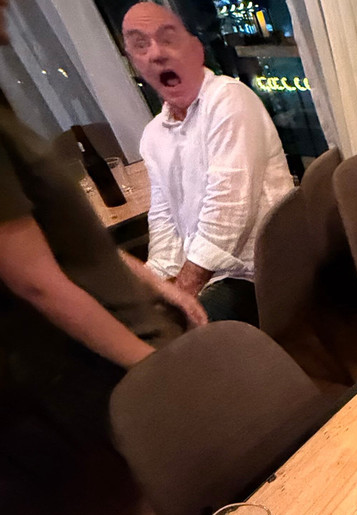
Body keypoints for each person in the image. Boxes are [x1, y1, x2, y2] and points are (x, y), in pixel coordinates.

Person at [0, 0, 206, 437]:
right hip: (109, 351)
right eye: (140, 45)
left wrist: (159, 284)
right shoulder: (152, 134)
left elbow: (76, 242)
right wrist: (151, 367)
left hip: (142, 319)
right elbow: (35, 281)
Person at [121, 2, 294, 324]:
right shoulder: (153, 135)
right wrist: (156, 282)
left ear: (195, 50)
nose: (156, 53)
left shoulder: (229, 99)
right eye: (141, 45)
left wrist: (182, 293)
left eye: (168, 39)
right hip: (215, 274)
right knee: (138, 324)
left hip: (261, 269)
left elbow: (229, 210)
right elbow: (164, 218)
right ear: (135, 63)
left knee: (174, 335)